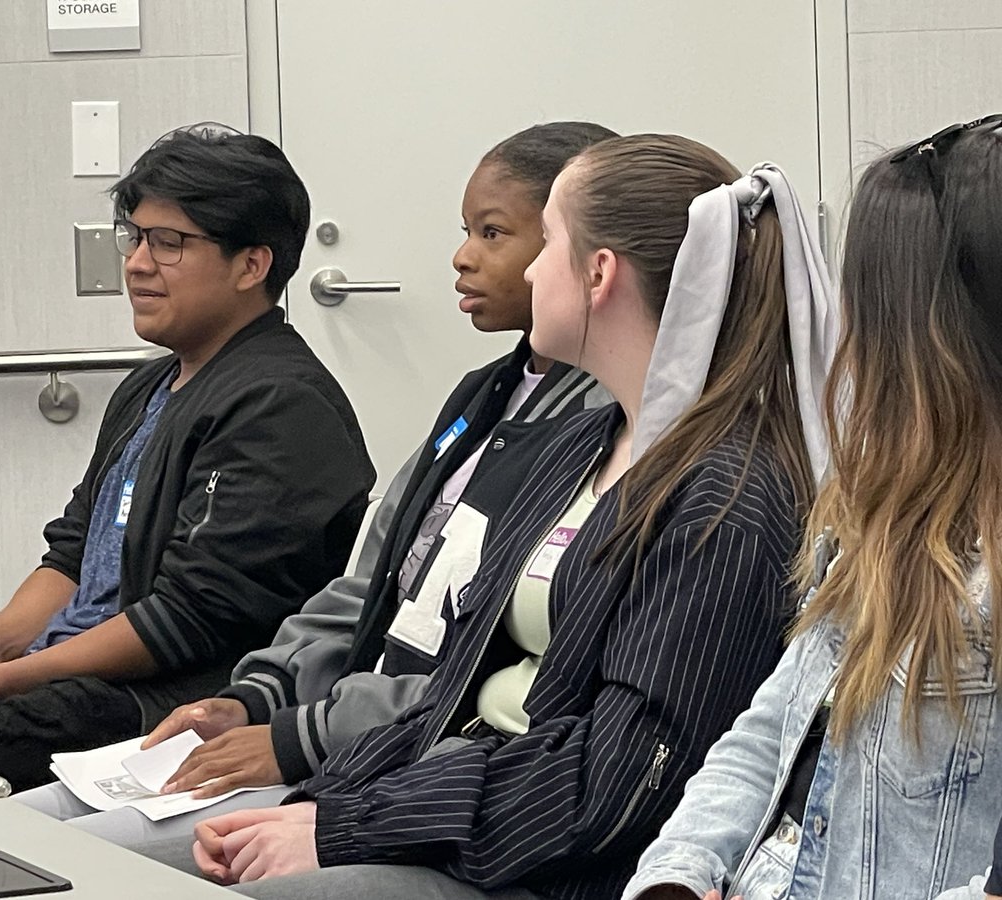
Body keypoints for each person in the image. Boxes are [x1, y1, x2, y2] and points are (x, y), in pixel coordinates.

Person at [192, 133, 838, 899]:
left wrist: (346, 828)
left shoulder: (725, 500)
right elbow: (450, 692)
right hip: (463, 814)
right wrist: (327, 806)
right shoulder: (575, 444)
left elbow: (615, 785)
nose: (530, 270)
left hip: (557, 870)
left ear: (599, 273)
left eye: (547, 243)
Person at [15, 121, 617, 870]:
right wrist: (257, 697)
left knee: (67, 863)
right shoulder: (483, 397)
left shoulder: (602, 433)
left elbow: (473, 670)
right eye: (465, 230)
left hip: (407, 758)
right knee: (21, 827)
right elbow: (367, 586)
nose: (462, 256)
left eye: (494, 233)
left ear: (599, 262)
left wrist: (295, 734)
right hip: (333, 721)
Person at [0, 124, 376, 793]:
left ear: (252, 265)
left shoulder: (281, 406)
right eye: (136, 236)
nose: (137, 263)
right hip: (63, 672)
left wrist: (6, 680)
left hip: (153, 704)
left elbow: (187, 621)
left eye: (169, 243)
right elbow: (73, 551)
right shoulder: (152, 384)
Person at [623, 115, 1002, 900]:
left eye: (867, 310)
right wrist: (677, 876)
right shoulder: (884, 506)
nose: (850, 343)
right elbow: (770, 729)